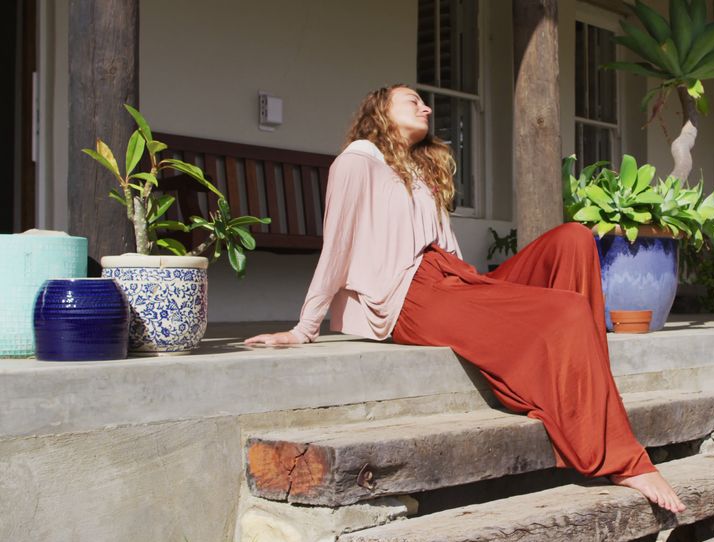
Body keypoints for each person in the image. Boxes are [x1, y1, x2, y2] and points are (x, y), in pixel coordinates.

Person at [244, 84, 686, 514]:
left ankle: (579, 397)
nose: (427, 109)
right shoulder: (358, 161)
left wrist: (486, 295)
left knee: (573, 238)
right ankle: (623, 461)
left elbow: (450, 251)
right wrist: (305, 327)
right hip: (411, 296)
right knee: (566, 309)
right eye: (412, 101)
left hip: (451, 281)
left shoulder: (420, 170)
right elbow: (337, 244)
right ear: (380, 110)